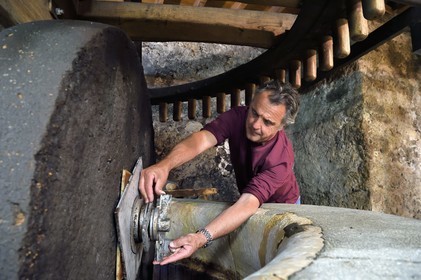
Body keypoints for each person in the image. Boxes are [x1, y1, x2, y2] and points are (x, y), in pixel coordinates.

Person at [138, 80, 300, 265]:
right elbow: (201, 140)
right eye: (255, 112)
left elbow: (247, 203)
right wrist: (164, 165)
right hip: (250, 199)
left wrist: (200, 238)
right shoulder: (238, 116)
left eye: (268, 122)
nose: (255, 124)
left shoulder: (280, 160)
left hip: (284, 207)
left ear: (281, 126)